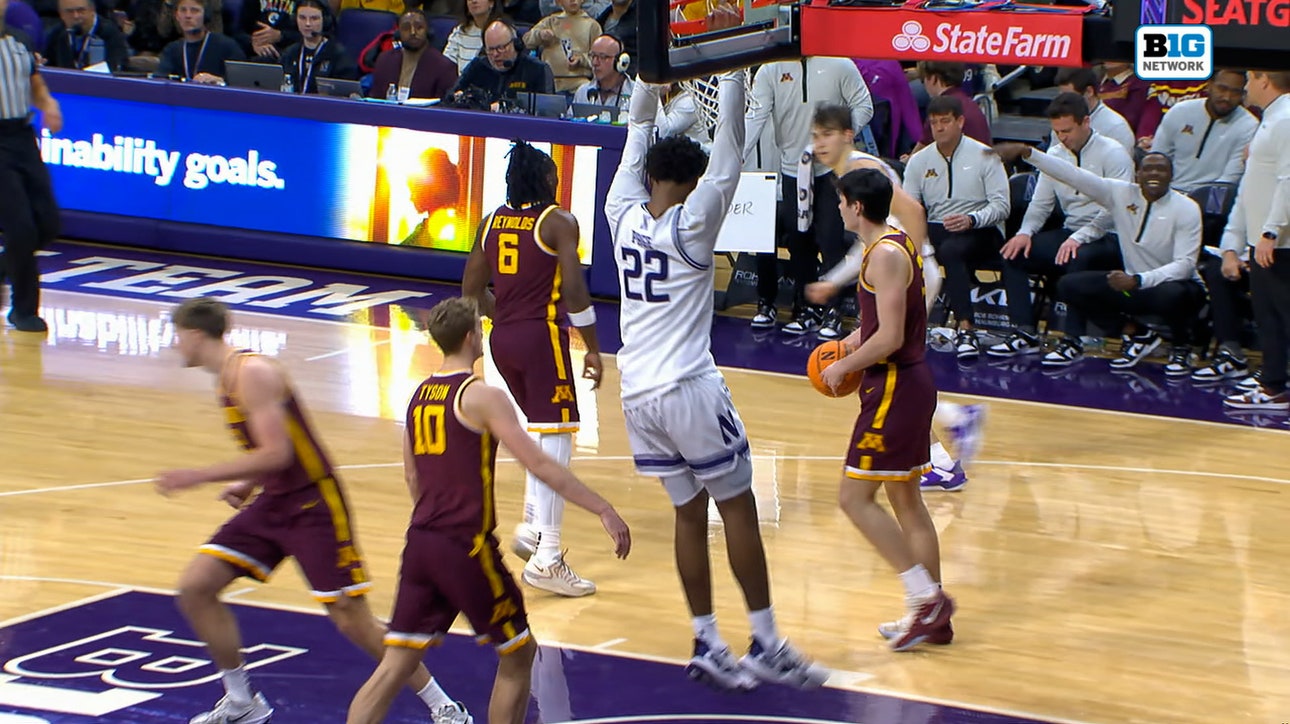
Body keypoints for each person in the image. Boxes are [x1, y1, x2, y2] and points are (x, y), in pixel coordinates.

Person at [605, 48, 827, 690]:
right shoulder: (695, 225)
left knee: (685, 513)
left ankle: (706, 639)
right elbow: (729, 150)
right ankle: (765, 641)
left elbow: (635, 132)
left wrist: (646, 83)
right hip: (688, 388)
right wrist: (734, 77)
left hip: (636, 393)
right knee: (737, 510)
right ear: (691, 179)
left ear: (649, 176)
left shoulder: (621, 215)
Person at [155, 298, 472, 724]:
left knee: (352, 620)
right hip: (274, 501)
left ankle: (443, 706)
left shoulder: (253, 374)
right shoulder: (227, 379)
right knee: (196, 588)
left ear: (195, 335)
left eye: (178, 336)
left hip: (311, 504)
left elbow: (278, 453)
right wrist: (246, 483)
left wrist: (198, 475)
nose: (176, 346)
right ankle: (241, 701)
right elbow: (276, 448)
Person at [345, 296, 630, 724]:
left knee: (394, 666)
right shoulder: (481, 396)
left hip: (420, 541)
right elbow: (538, 463)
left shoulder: (418, 395)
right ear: (470, 337)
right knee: (518, 654)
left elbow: (411, 477)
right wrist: (602, 507)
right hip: (465, 546)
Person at [803, 104, 987, 492]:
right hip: (899, 266)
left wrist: (913, 262)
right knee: (888, 374)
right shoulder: (846, 171)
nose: (820, 143)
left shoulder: (858, 169)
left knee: (885, 368)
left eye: (828, 134)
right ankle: (951, 427)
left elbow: (913, 210)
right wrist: (837, 280)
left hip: (907, 268)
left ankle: (941, 450)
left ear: (848, 136)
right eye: (816, 135)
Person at [815, 168, 955, 651]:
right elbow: (883, 322)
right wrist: (850, 341)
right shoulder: (890, 245)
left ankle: (926, 601)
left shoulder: (887, 256)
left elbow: (892, 337)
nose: (837, 209)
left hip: (895, 387)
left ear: (856, 206)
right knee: (907, 502)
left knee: (854, 500)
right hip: (905, 385)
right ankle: (931, 615)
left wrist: (843, 366)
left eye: (840, 202)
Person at [461, 139, 604, 597]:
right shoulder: (559, 221)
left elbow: (470, 290)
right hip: (542, 337)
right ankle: (548, 555)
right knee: (558, 436)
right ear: (545, 179)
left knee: (539, 430)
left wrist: (502, 313)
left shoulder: (491, 221)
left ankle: (529, 526)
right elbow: (577, 294)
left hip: (503, 339)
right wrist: (595, 348)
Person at [991, 144, 1205, 375]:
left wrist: (1139, 279)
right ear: (1137, 175)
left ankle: (1181, 348)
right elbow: (1074, 175)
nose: (1154, 174)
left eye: (1161, 170)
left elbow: (1185, 265)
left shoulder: (1187, 208)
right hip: (1132, 287)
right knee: (1070, 285)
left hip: (1179, 288)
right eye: (1148, 169)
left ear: (1171, 175)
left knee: (1172, 293)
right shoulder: (1120, 193)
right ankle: (1138, 334)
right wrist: (1029, 154)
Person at [0, 0, 61, 333]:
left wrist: (48, 104)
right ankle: (23, 311)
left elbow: (33, 83)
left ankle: (6, 264)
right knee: (20, 228)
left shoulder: (20, 41)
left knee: (48, 222)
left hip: (22, 135)